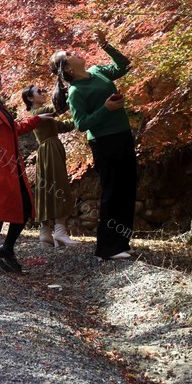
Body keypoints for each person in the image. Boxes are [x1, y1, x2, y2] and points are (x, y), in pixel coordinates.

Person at [50, 30, 135, 261]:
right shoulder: (76, 92)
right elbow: (81, 123)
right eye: (68, 54)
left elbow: (124, 65)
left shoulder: (97, 72)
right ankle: (106, 249)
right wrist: (106, 108)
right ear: (67, 68)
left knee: (127, 189)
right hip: (104, 142)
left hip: (123, 134)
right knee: (113, 191)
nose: (73, 51)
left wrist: (105, 44)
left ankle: (121, 242)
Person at [0, 66, 49, 272]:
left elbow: (15, 129)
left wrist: (37, 119)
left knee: (24, 208)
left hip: (12, 168)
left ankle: (6, 249)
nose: (1, 79)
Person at [21, 84, 79, 247]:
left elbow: (65, 126)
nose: (42, 92)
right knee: (59, 186)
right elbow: (57, 108)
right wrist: (72, 95)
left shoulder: (43, 115)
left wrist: (80, 114)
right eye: (39, 91)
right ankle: (59, 231)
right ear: (30, 98)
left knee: (46, 189)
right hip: (51, 150)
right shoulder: (37, 113)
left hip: (48, 151)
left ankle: (45, 232)